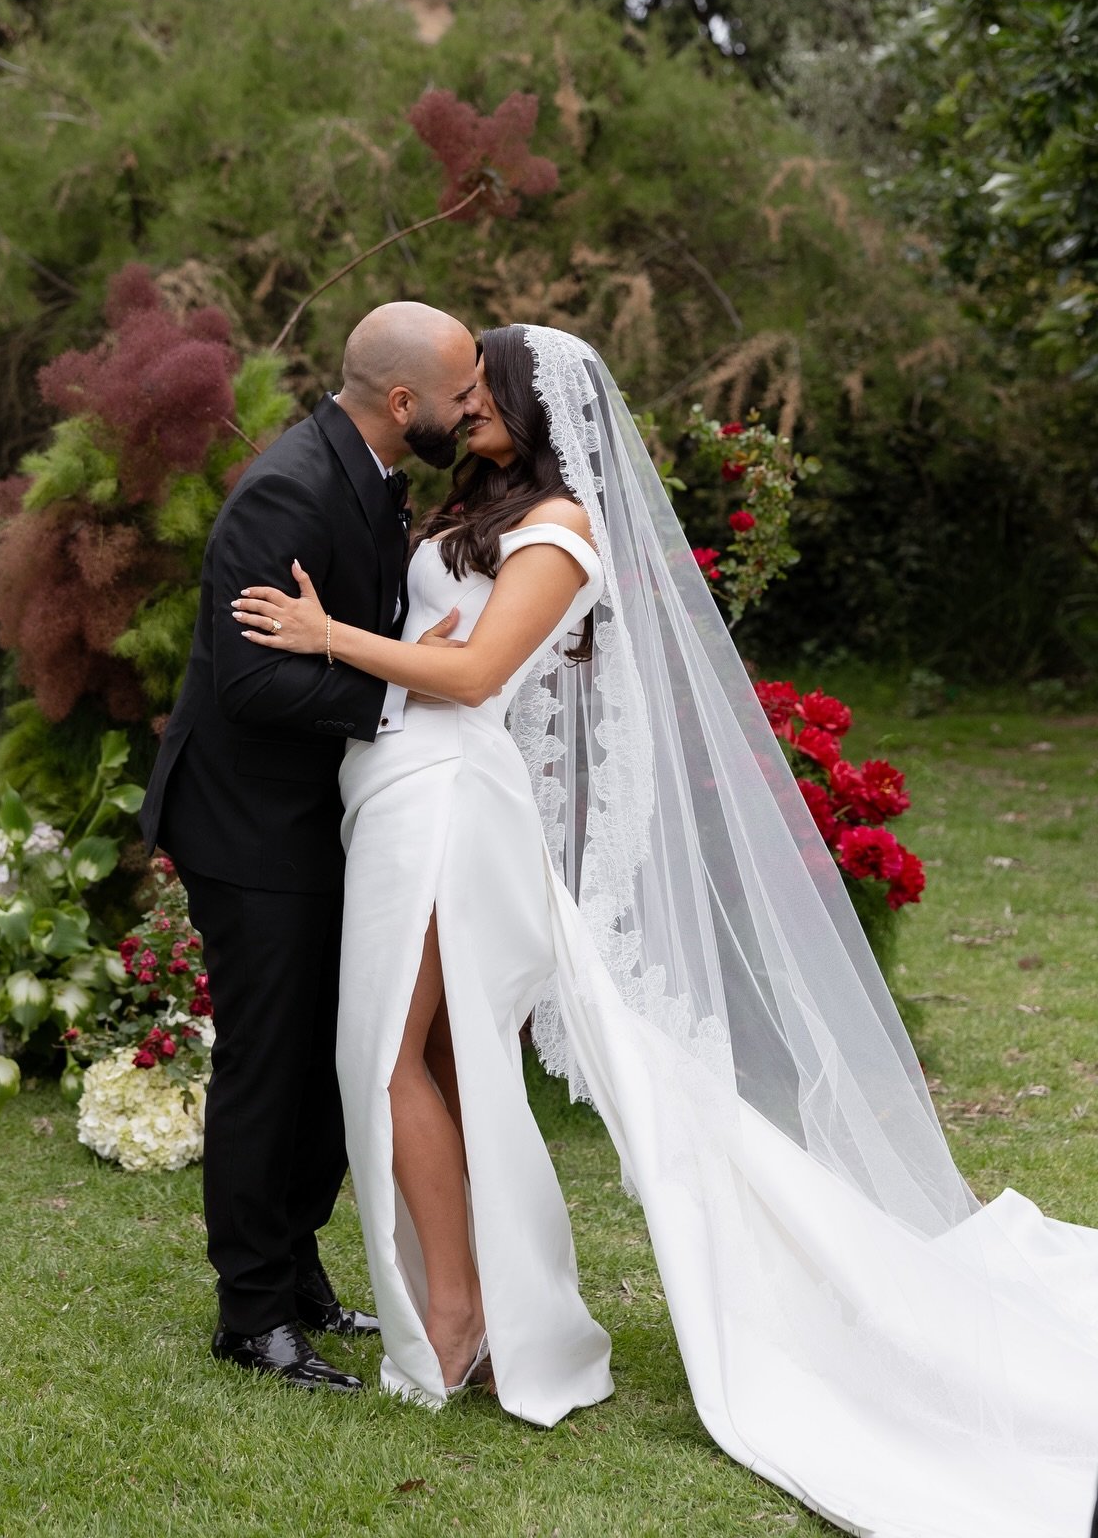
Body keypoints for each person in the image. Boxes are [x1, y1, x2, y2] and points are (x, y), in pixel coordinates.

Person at [232, 322, 1098, 1537]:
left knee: (386, 1061)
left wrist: (331, 638)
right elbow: (438, 648)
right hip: (397, 787)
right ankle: (488, 1311)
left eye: (485, 390)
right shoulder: (473, 511)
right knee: (433, 1060)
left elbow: (476, 678)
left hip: (443, 798)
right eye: (460, 389)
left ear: (535, 406)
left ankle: (461, 1319)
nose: (467, 405)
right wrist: (391, 645)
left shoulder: (561, 529)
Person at [140, 300, 480, 1393]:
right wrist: (399, 696)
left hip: (322, 818)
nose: (471, 408)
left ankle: (296, 1276)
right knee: (268, 1065)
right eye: (460, 394)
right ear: (402, 402)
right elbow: (248, 680)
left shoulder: (373, 475)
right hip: (248, 827)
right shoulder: (288, 488)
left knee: (332, 1062)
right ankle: (252, 1317)